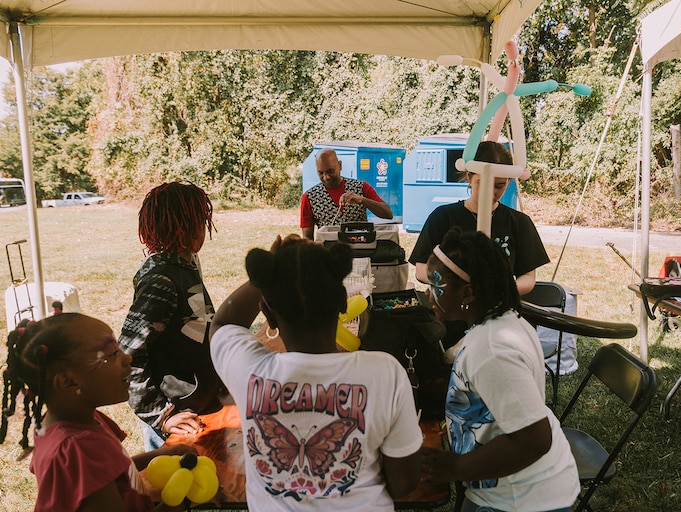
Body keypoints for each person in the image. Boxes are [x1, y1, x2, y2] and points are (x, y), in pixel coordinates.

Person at [209, 234, 422, 510]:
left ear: (268, 315)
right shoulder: (385, 373)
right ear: (343, 303)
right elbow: (404, 483)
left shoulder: (247, 372)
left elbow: (224, 323)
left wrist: (266, 273)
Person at [421, 228, 579, 512]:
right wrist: (464, 422)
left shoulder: (492, 349)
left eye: (436, 285)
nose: (428, 294)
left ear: (467, 293)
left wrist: (455, 466)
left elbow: (534, 440)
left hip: (523, 500)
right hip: (510, 489)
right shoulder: (501, 321)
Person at [0, 314, 196, 512]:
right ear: (68, 381)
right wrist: (180, 501)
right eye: (112, 354)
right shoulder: (78, 448)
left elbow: (112, 470)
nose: (127, 358)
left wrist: (160, 454)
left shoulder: (76, 422)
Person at [119, 182, 226, 451]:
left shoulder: (184, 266)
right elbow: (128, 354)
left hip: (200, 404)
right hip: (177, 419)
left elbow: (196, 326)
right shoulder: (161, 281)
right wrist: (161, 416)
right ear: (190, 228)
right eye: (200, 221)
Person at [408, 141, 549, 296]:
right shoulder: (442, 217)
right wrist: (454, 286)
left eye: (499, 186)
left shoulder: (519, 223)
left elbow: (528, 277)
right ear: (470, 176)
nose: (491, 192)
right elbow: (421, 269)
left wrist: (503, 292)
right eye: (483, 184)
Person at [300, 148, 393, 240]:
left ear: (340, 165)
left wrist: (362, 200)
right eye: (321, 173)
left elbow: (388, 214)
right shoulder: (310, 197)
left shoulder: (361, 187)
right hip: (329, 249)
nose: (326, 177)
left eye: (330, 171)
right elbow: (307, 237)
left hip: (360, 247)